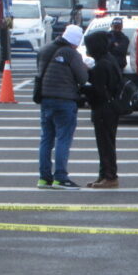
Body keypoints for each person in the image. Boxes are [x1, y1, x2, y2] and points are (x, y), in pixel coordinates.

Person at [36, 24, 88, 189]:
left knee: (46, 139)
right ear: (75, 41)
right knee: (63, 139)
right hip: (65, 100)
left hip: (45, 98)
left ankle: (44, 178)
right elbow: (82, 77)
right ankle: (60, 177)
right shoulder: (71, 53)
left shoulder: (45, 50)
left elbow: (40, 71)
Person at [83, 31, 122, 188]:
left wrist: (83, 89)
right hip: (112, 107)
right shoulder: (110, 60)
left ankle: (110, 176)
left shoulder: (101, 65)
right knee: (106, 143)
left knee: (105, 144)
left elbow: (98, 90)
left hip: (103, 108)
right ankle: (103, 175)